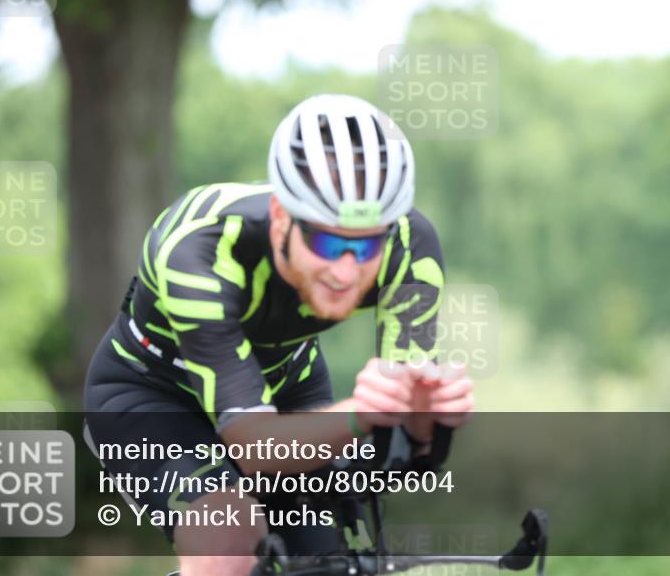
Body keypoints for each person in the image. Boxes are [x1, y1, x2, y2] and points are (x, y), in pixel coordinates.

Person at [83, 94, 474, 576]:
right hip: (153, 395)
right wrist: (359, 415)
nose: (345, 271)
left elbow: (398, 463)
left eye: (367, 243)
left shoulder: (409, 249)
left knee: (330, 561)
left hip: (285, 384)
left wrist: (422, 418)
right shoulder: (200, 251)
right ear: (281, 217)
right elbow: (251, 448)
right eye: (327, 241)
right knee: (227, 545)